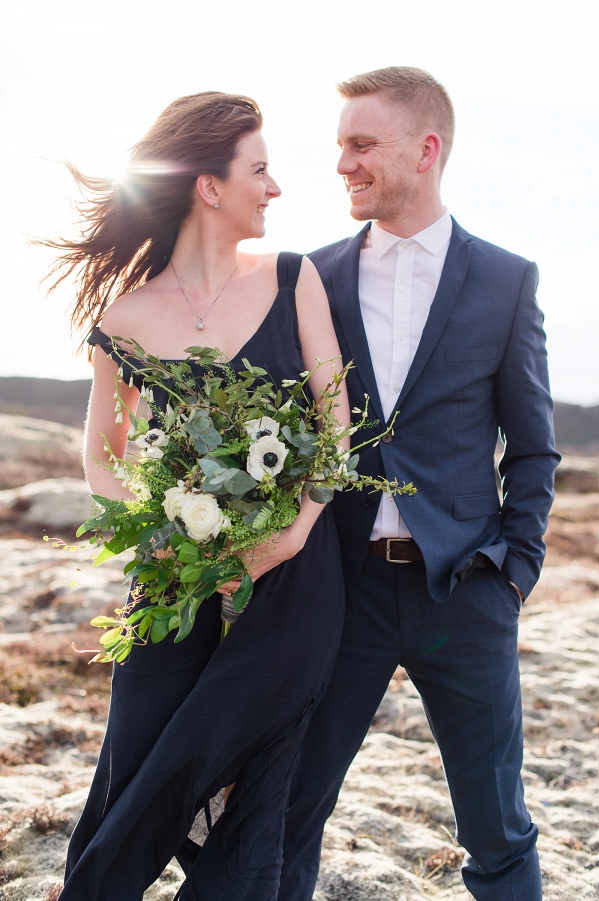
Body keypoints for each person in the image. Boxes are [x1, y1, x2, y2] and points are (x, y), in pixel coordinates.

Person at [45, 91, 349, 901]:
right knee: (139, 760)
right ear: (209, 186)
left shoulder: (295, 278)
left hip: (294, 579)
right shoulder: (128, 319)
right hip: (175, 578)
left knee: (257, 784)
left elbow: (335, 424)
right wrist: (169, 534)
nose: (275, 188)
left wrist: (287, 535)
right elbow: (104, 456)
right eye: (260, 169)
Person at [279, 67, 560, 901]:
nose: (342, 165)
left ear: (425, 149)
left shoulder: (508, 280)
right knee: (292, 807)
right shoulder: (311, 276)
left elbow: (535, 446)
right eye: (340, 146)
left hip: (466, 592)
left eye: (360, 144)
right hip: (339, 593)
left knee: (498, 828)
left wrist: (516, 570)